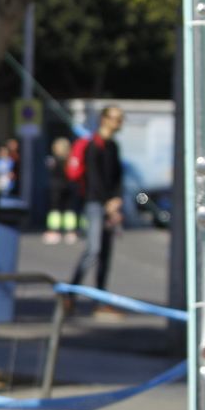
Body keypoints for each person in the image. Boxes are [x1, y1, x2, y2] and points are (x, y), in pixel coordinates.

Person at [68, 106, 125, 314]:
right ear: (104, 119)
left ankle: (100, 299)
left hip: (110, 204)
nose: (119, 123)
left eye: (121, 119)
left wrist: (116, 200)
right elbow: (94, 180)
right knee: (94, 249)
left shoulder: (113, 146)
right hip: (94, 203)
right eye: (115, 118)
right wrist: (106, 202)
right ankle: (70, 294)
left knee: (106, 253)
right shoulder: (94, 145)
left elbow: (117, 176)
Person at [43, 136, 80, 245]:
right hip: (70, 186)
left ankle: (54, 231)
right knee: (69, 209)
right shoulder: (72, 160)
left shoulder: (53, 160)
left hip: (56, 187)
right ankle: (70, 232)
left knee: (55, 209)